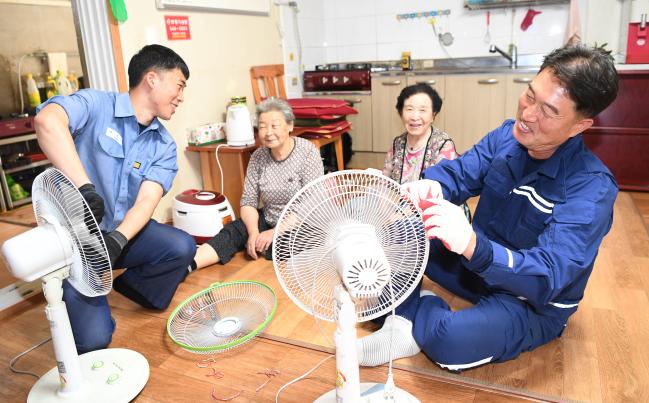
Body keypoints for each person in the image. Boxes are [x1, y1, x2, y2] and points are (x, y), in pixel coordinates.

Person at [357, 44, 619, 370]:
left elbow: (548, 274)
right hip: (474, 269)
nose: (527, 114)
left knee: (451, 342)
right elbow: (460, 173)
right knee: (395, 232)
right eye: (529, 95)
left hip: (530, 301)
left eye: (549, 111)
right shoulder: (505, 138)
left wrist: (471, 244)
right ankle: (407, 318)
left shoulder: (591, 188)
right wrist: (429, 187)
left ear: (580, 126)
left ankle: (408, 313)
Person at [35, 44, 195, 353]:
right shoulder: (96, 105)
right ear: (152, 78)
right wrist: (85, 189)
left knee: (182, 246)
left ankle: (132, 288)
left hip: (116, 237)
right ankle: (82, 293)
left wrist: (118, 240)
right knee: (95, 340)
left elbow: (147, 202)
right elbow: (47, 122)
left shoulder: (163, 145)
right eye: (179, 85)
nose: (181, 96)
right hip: (73, 243)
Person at [190, 97, 324, 270]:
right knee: (234, 230)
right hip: (270, 217)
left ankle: (264, 245)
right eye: (262, 127)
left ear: (290, 125)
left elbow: (310, 204)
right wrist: (254, 232)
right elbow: (248, 201)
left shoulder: (307, 152)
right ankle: (189, 264)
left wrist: (274, 233)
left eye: (274, 126)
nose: (268, 132)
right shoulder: (258, 157)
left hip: (303, 222)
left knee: (286, 244)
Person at [382, 83, 470, 220]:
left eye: (422, 110)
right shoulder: (397, 144)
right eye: (409, 109)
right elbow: (385, 184)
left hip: (435, 211)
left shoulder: (443, 145)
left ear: (433, 115)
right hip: (400, 209)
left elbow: (439, 194)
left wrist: (399, 217)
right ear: (401, 113)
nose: (415, 116)